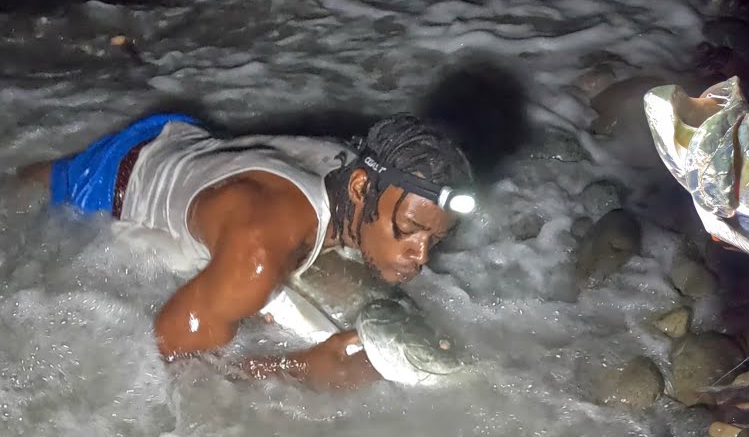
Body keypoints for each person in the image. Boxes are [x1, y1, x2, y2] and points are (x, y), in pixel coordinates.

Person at [17, 112, 476, 390]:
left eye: (435, 239)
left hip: (185, 141)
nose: (422, 256)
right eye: (409, 231)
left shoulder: (357, 170)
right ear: (361, 188)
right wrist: (299, 369)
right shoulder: (259, 250)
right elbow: (171, 349)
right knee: (18, 192)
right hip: (113, 180)